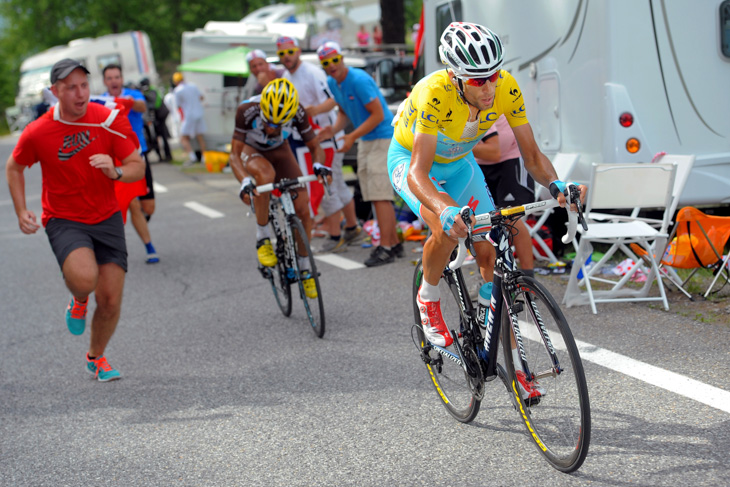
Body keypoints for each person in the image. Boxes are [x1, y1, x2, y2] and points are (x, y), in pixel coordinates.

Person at [387, 22, 586, 397]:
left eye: (493, 75)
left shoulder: (507, 87)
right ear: (456, 77)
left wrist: (558, 185)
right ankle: (428, 299)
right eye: (478, 80)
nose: (489, 87)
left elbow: (532, 156)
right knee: (447, 229)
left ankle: (493, 334)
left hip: (461, 164)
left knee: (489, 251)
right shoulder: (433, 93)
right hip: (413, 164)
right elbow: (418, 171)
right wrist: (446, 210)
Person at [5, 58, 145, 381]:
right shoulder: (39, 131)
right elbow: (14, 167)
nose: (81, 94)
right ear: (55, 92)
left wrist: (117, 171)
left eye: (84, 85)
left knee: (110, 299)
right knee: (85, 278)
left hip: (106, 215)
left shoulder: (107, 120)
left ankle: (96, 357)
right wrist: (20, 209)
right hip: (64, 217)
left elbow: (136, 164)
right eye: (71, 88)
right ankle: (79, 298)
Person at [229, 78, 329, 299]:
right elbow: (234, 154)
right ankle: (263, 237)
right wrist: (245, 180)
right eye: (269, 122)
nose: (272, 128)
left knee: (302, 207)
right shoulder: (247, 110)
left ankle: (305, 268)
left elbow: (314, 146)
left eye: (279, 125)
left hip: (280, 150)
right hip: (252, 150)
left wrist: (319, 164)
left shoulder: (298, 112)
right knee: (266, 176)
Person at [276, 36, 364, 254]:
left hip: (325, 138)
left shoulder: (313, 73)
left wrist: (313, 111)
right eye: (281, 54)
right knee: (336, 183)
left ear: (297, 51)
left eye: (290, 52)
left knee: (326, 185)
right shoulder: (287, 76)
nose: (286, 57)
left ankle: (336, 235)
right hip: (309, 140)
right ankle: (352, 227)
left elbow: (334, 100)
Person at [317, 41, 402, 266]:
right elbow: (344, 112)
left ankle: (385, 248)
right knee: (373, 194)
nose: (332, 65)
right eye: (326, 62)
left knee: (380, 195)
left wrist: (351, 136)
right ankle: (393, 243)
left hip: (382, 138)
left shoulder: (359, 80)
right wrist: (333, 130)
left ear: (342, 58)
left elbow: (377, 115)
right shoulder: (333, 82)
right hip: (366, 140)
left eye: (335, 59)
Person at [103, 65, 160, 264]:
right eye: (109, 78)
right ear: (105, 82)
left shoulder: (133, 95)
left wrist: (125, 102)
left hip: (139, 156)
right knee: (133, 203)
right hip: (118, 160)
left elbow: (142, 107)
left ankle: (143, 222)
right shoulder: (102, 101)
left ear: (121, 78)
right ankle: (149, 247)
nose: (113, 81)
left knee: (148, 207)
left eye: (116, 77)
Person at [473, 114, 535, 276]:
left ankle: (529, 278)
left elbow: (494, 152)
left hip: (509, 161)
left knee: (512, 220)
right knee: (483, 223)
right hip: (481, 165)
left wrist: (456, 147)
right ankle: (489, 281)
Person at [172, 72, 207, 166]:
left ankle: (192, 157)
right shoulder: (193, 86)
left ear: (175, 82)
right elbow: (202, 97)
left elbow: (178, 105)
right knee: (200, 136)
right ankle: (204, 158)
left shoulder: (178, 90)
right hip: (199, 114)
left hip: (189, 116)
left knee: (183, 138)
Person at [140, 78, 172, 162]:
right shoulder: (152, 90)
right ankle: (164, 156)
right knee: (159, 137)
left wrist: (144, 97)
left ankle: (167, 156)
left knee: (162, 136)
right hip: (158, 117)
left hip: (160, 117)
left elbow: (153, 104)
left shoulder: (152, 91)